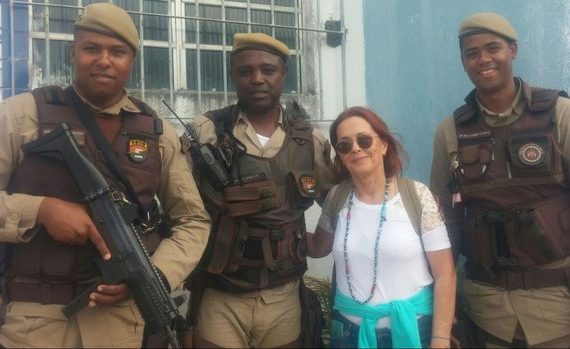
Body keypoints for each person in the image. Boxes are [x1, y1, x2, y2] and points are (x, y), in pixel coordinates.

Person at [0, 3, 210, 348]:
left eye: (117, 52)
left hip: (121, 324)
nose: (104, 60)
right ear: (73, 51)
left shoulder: (158, 133)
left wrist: (153, 275)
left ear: (132, 60)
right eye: (91, 48)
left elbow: (193, 221)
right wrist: (39, 210)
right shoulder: (22, 115)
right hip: (34, 320)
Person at [187, 32, 337, 348]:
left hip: (283, 297)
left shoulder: (309, 139)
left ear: (283, 74)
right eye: (246, 71)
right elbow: (181, 206)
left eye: (268, 70)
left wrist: (319, 242)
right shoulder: (207, 131)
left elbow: (337, 204)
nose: (257, 79)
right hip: (221, 295)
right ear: (233, 76)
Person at [430, 12, 570, 348]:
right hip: (486, 309)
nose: (483, 59)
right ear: (464, 62)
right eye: (472, 53)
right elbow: (439, 222)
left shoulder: (560, 114)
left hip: (557, 307)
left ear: (513, 50)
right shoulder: (450, 132)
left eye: (493, 48)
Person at [308, 106, 456, 348]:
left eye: (364, 140)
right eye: (345, 145)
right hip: (347, 334)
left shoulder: (417, 196)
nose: (356, 148)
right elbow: (317, 246)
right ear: (341, 157)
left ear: (384, 145)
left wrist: (440, 339)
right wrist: (278, 224)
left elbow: (445, 273)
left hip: (413, 330)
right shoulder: (337, 198)